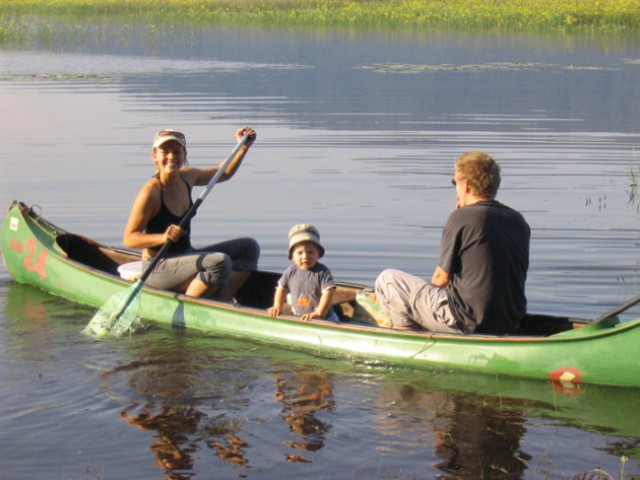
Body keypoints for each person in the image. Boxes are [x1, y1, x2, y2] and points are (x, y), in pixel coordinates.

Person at [374, 151, 530, 335]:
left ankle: (408, 338)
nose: (455, 191)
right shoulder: (518, 220)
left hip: (465, 320)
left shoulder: (461, 217)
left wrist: (418, 309)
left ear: (466, 186)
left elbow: (440, 279)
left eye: (455, 183)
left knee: (388, 280)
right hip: (509, 321)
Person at [123, 127, 260, 300]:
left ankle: (221, 301)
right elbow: (129, 238)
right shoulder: (151, 192)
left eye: (177, 151)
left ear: (184, 154)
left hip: (186, 254)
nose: (171, 157)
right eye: (165, 152)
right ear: (154, 156)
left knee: (249, 247)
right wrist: (162, 238)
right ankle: (189, 309)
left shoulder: (188, 177)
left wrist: (243, 146)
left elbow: (223, 173)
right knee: (219, 261)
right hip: (158, 266)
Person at [268, 224, 339, 322]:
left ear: (318, 253)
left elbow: (328, 292)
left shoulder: (322, 272)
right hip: (299, 316)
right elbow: (281, 289)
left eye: (310, 252)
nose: (305, 256)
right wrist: (277, 306)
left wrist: (319, 312)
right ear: (292, 256)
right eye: (300, 253)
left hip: (325, 318)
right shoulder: (290, 271)